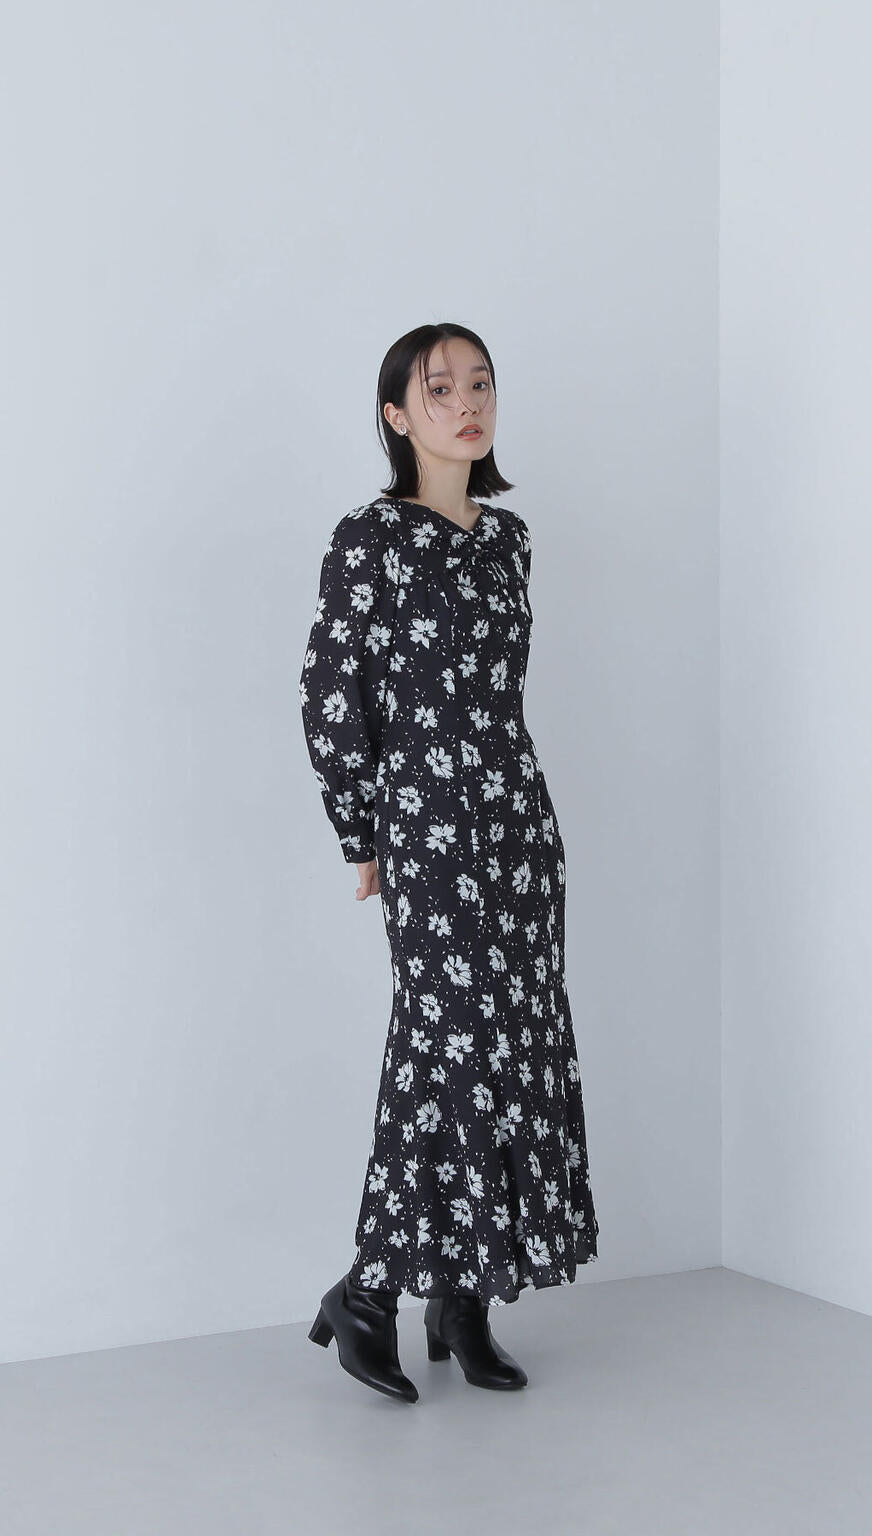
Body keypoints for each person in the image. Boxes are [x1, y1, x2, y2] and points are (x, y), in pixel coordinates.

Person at [298, 323, 600, 1403]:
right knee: (442, 1050)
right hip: (427, 830)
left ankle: (463, 1296)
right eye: (439, 389)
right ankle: (369, 1292)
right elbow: (330, 693)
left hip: (517, 825)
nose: (466, 404)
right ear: (396, 414)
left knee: (511, 1048)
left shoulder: (509, 541)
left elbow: (500, 694)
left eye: (480, 385)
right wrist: (360, 831)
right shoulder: (369, 539)